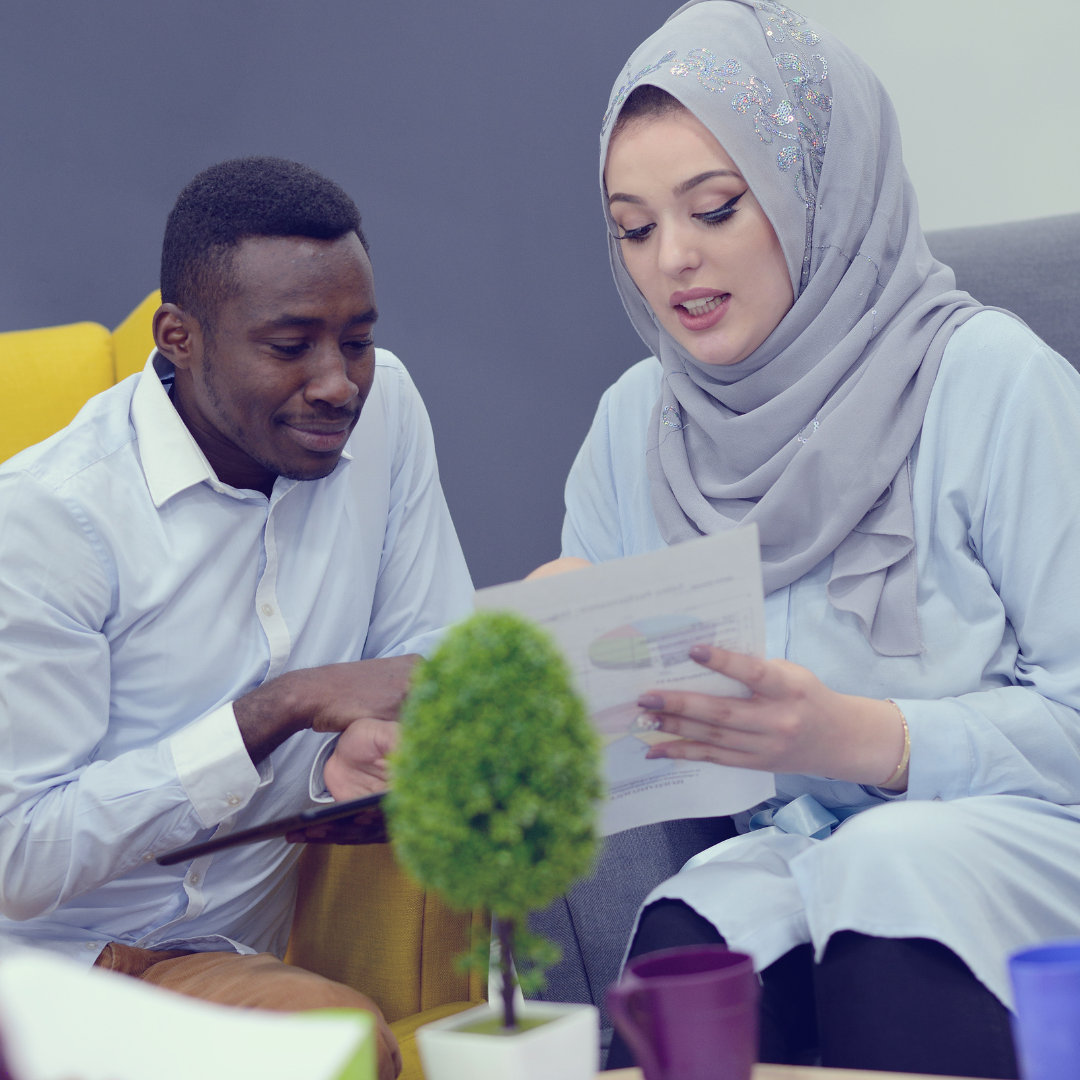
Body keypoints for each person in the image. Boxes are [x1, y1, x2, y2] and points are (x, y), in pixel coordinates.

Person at [547, 2, 1080, 1076]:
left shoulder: (995, 385)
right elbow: (629, 742)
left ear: (814, 194)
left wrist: (863, 738)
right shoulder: (633, 426)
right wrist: (552, 668)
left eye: (716, 207)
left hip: (1015, 838)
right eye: (636, 228)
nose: (675, 264)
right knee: (684, 948)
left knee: (891, 868)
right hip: (787, 855)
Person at [0, 157, 474, 1080]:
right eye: (290, 345)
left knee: (328, 1046)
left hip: (212, 957)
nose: (338, 383)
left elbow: (423, 656)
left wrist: (361, 753)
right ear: (179, 336)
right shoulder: (51, 521)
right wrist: (277, 712)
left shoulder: (386, 416)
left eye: (358, 341)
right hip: (40, 964)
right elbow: (18, 856)